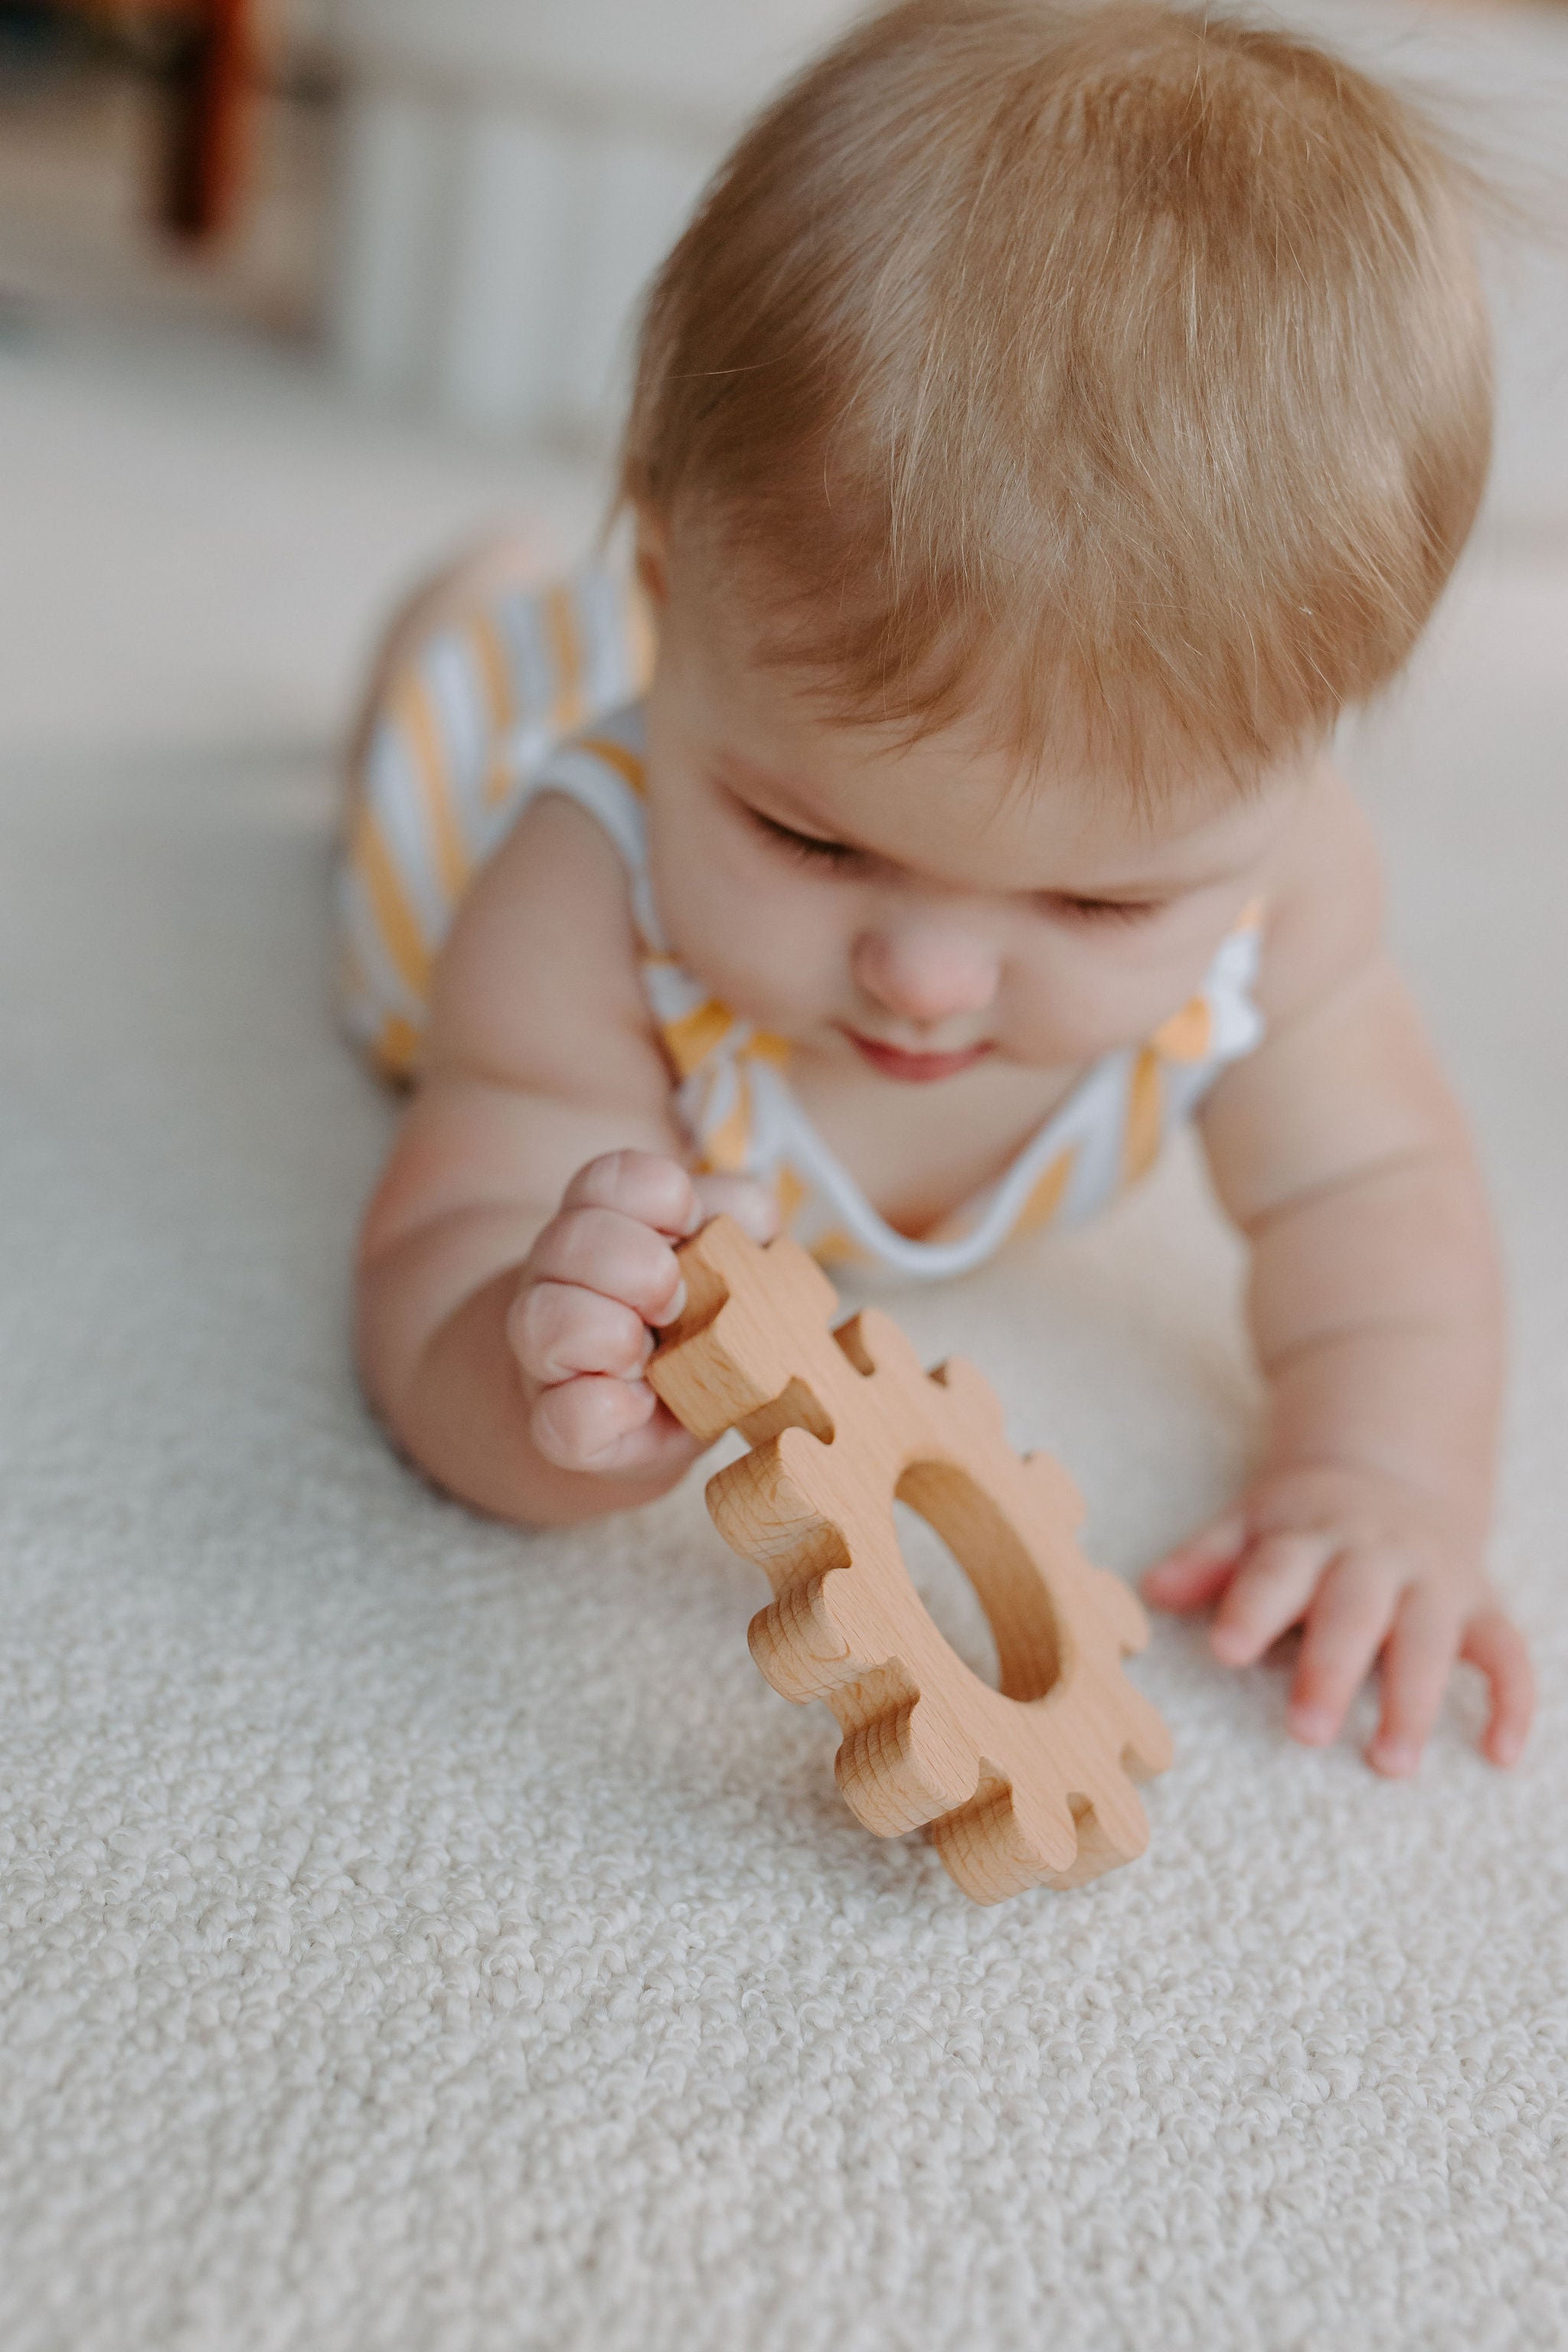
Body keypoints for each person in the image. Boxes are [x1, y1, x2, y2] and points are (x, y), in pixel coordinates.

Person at [339, 0, 1534, 1779]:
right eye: (814, 844)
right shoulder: (580, 896)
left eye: (1097, 908)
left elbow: (1379, 1197)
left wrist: (1381, 1479)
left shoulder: (1284, 895)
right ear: (679, 588)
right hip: (496, 791)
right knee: (450, 713)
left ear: (1300, 762)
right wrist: (534, 1377)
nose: (928, 979)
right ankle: (476, 617)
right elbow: (435, 1272)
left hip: (718, 692)